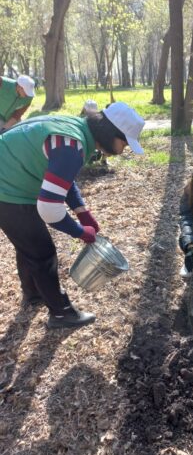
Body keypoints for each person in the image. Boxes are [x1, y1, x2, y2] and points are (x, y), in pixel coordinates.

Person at [0, 102, 145, 328]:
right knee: (42, 253)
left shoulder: (76, 131)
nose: (123, 150)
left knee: (28, 243)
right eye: (125, 143)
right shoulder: (71, 146)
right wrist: (79, 232)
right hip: (8, 189)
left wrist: (82, 211)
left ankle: (34, 293)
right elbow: (49, 209)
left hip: (13, 178)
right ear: (110, 133)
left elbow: (63, 178)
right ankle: (61, 313)